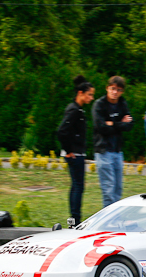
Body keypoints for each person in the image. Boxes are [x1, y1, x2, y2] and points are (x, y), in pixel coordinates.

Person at [57, 75, 95, 226]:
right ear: (80, 93)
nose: (91, 98)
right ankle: (75, 220)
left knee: (77, 185)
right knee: (78, 186)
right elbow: (61, 131)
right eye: (89, 94)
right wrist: (68, 150)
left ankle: (74, 220)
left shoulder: (78, 109)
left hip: (77, 153)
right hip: (75, 154)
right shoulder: (74, 110)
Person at [92, 76, 133, 207]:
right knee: (108, 188)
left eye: (118, 90)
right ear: (107, 88)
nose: (115, 92)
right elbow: (101, 127)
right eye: (113, 88)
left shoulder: (122, 104)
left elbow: (129, 125)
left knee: (118, 188)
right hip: (103, 150)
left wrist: (112, 123)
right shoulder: (99, 104)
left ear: (122, 91)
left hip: (117, 151)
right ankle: (108, 216)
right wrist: (120, 123)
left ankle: (115, 215)